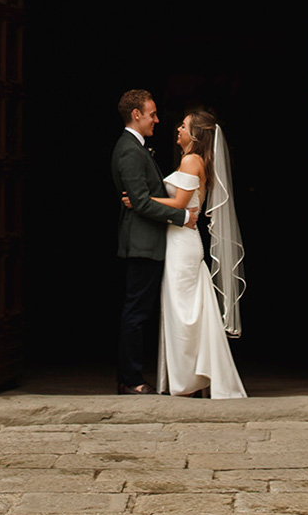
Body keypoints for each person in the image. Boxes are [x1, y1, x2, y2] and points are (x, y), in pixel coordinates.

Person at [144, 107, 247, 399]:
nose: (178, 129)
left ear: (195, 134)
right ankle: (194, 377)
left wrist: (140, 200)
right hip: (181, 240)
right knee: (187, 311)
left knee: (182, 312)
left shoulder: (191, 160)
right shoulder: (193, 160)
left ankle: (188, 381)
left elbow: (178, 203)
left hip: (182, 244)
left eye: (184, 126)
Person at [111, 89, 196, 395]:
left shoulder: (138, 148)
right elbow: (142, 203)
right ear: (136, 114)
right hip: (142, 243)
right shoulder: (129, 151)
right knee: (136, 311)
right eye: (152, 114)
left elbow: (143, 199)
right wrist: (183, 216)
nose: (157, 120)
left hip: (150, 242)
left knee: (140, 310)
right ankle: (130, 380)